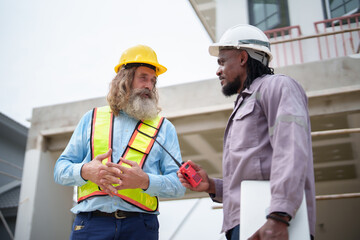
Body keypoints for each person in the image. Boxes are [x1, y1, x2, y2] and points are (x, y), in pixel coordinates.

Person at [177, 24, 316, 240]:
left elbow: (291, 151)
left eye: (222, 61)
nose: (217, 70)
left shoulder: (277, 86)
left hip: (270, 222)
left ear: (243, 58)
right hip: (244, 223)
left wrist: (279, 215)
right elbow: (253, 176)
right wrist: (212, 185)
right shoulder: (244, 103)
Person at [54, 44, 186, 240]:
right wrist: (86, 171)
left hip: (141, 228)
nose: (149, 85)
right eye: (143, 77)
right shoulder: (91, 119)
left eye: (153, 80)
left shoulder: (164, 128)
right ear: (125, 79)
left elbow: (179, 185)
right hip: (91, 225)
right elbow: (60, 170)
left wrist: (145, 181)